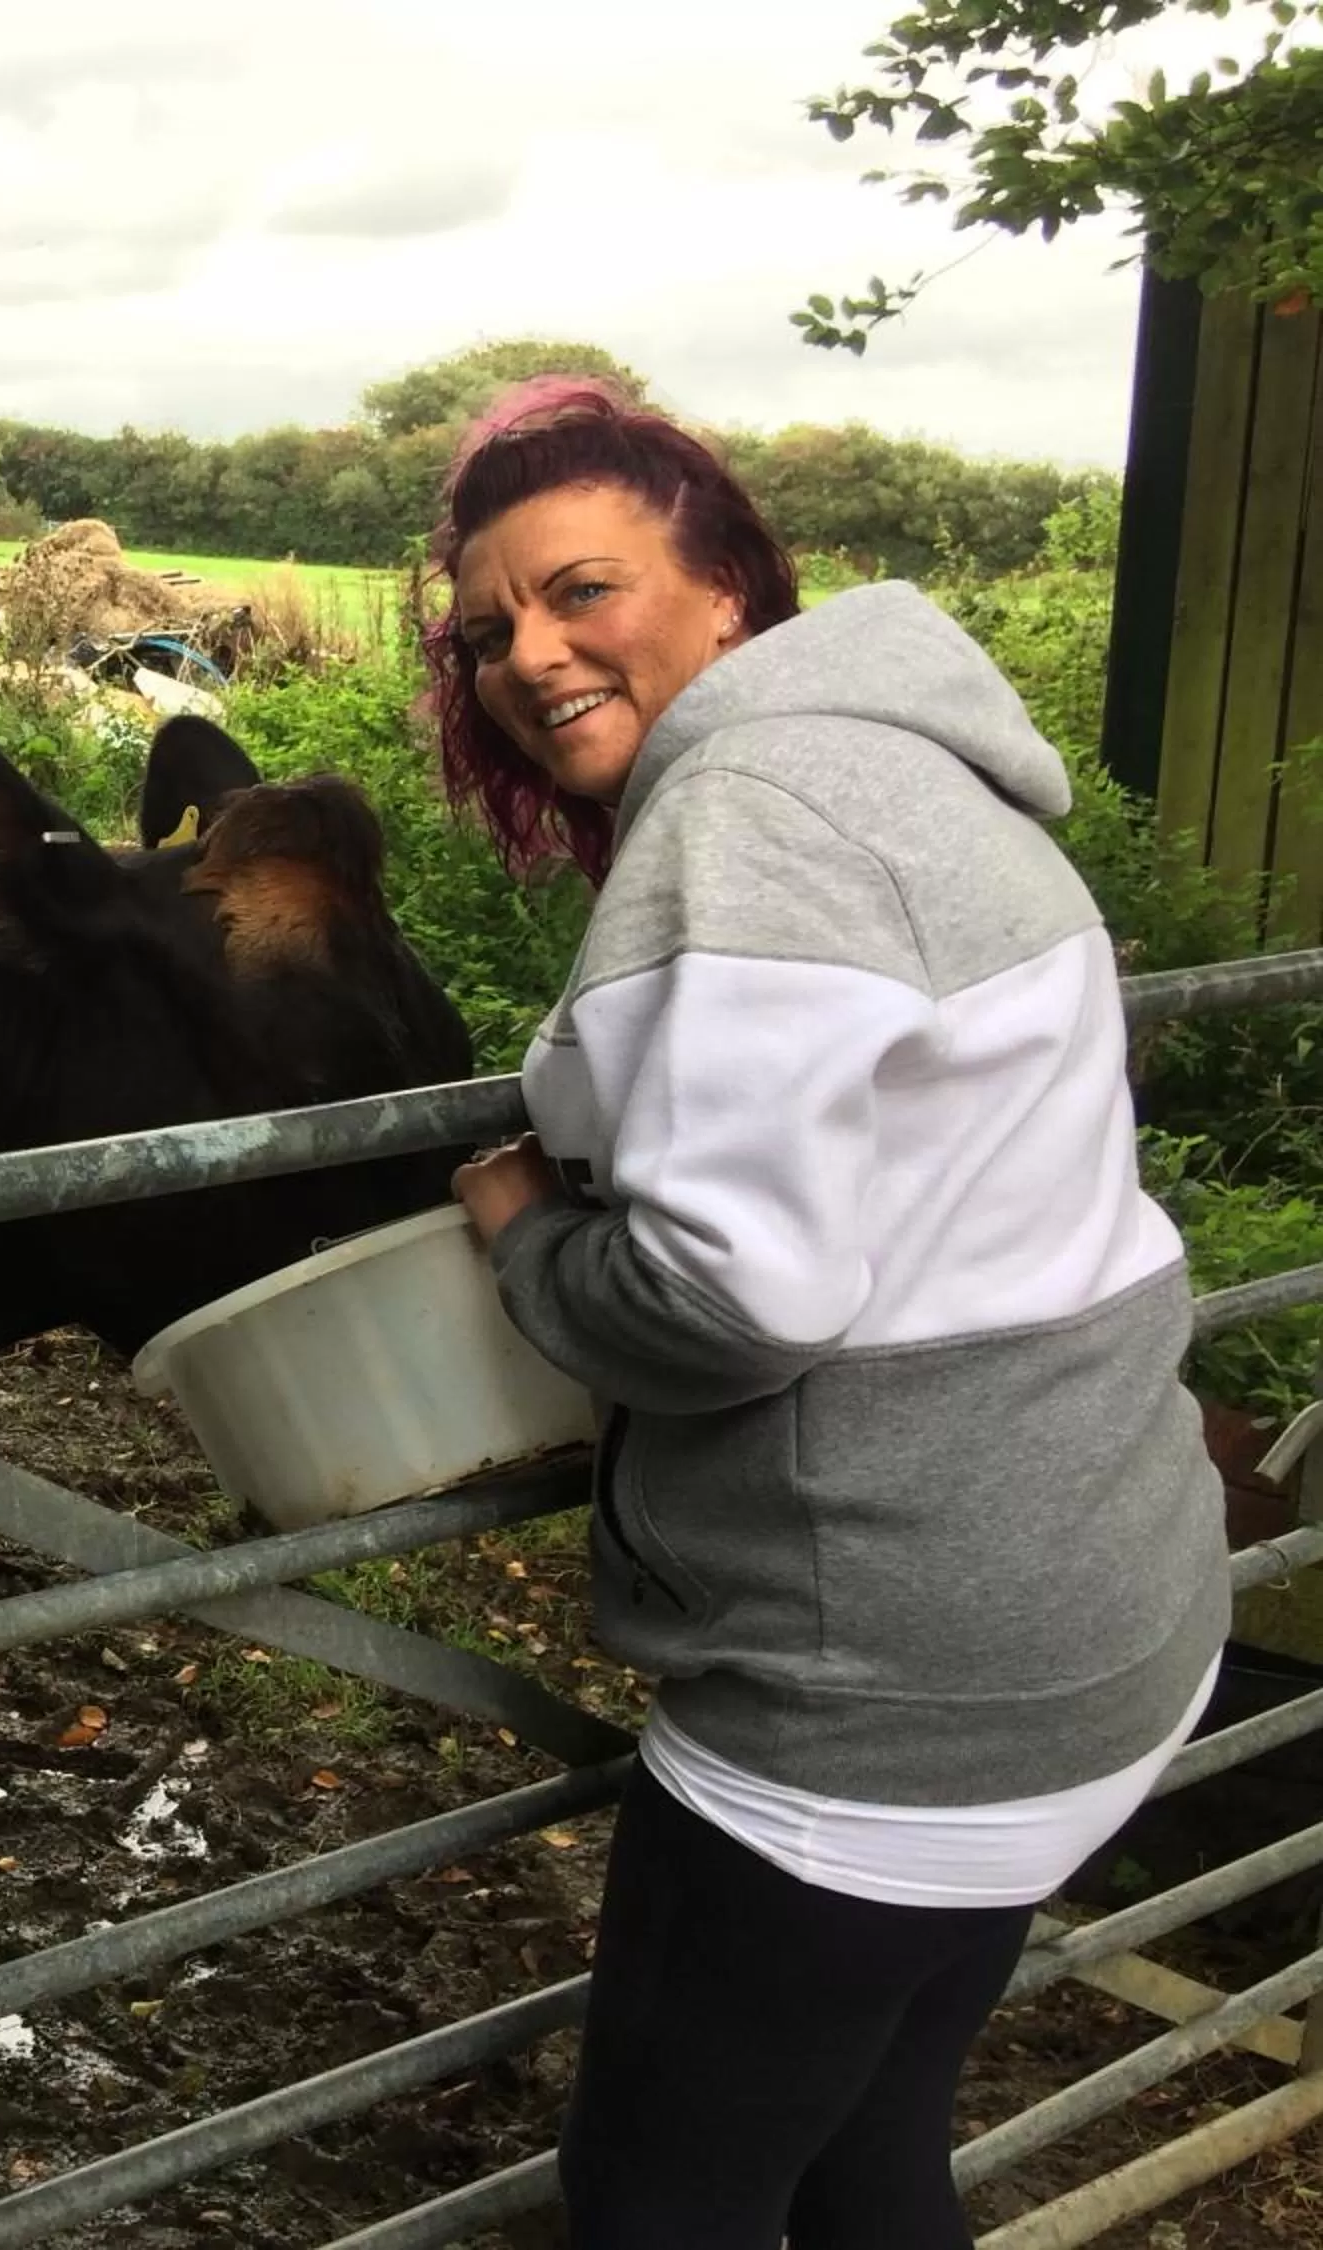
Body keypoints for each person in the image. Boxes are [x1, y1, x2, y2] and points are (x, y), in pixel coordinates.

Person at [433, 378, 1229, 2248]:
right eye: (489, 632)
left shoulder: (755, 815)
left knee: (658, 2198)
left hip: (889, 1692)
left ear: (722, 585)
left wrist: (529, 1231)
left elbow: (732, 1292)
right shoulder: (904, 757)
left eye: (581, 590)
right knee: (867, 2146)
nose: (529, 654)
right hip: (1096, 1611)